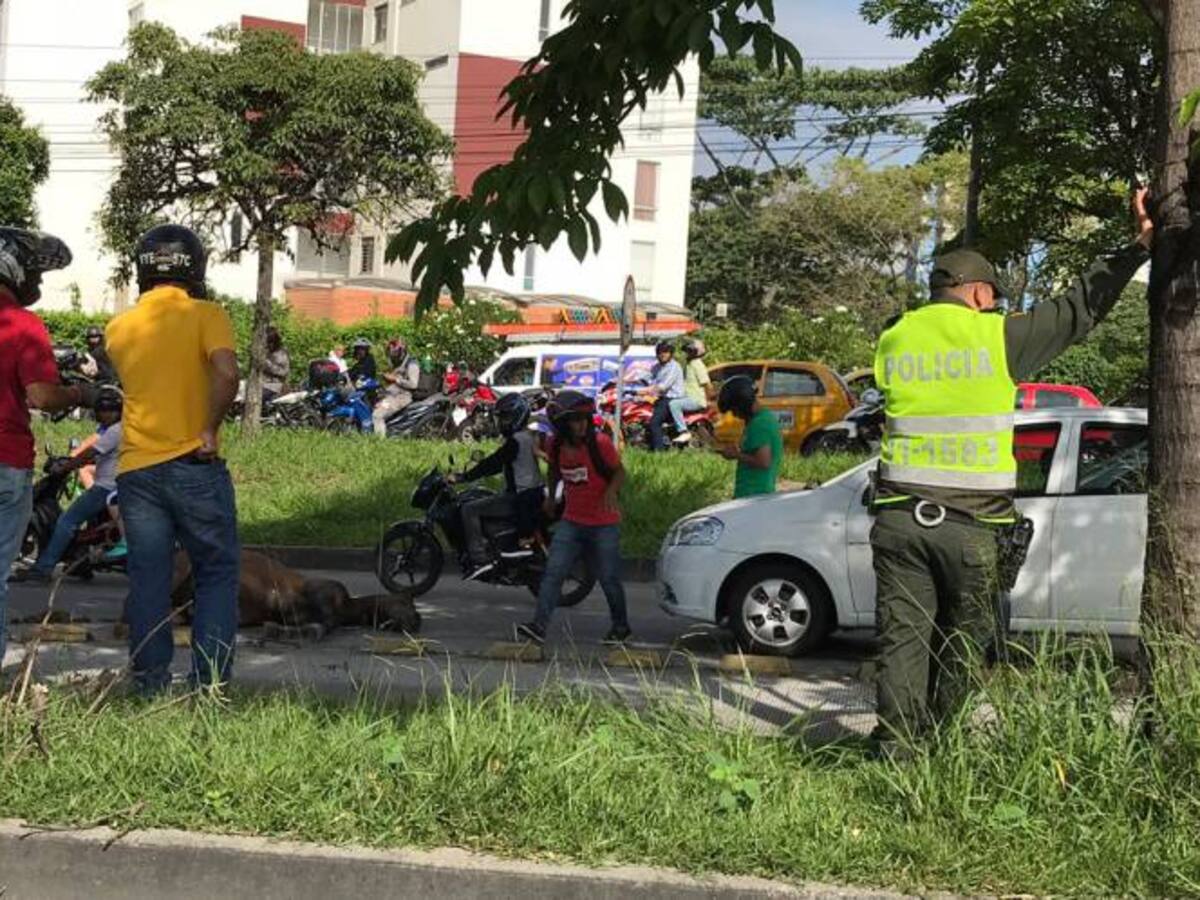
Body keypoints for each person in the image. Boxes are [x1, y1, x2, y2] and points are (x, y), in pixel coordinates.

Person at [869, 189, 1156, 748]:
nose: (995, 305)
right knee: (963, 643)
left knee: (903, 641)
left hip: (900, 519)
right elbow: (1079, 309)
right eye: (993, 297)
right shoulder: (997, 336)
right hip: (970, 526)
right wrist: (1139, 245)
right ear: (978, 293)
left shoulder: (894, 338)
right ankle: (943, 748)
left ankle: (897, 753)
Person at [105, 223, 241, 695]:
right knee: (216, 574)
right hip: (193, 464)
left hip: (136, 469)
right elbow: (226, 375)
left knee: (149, 580)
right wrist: (209, 427)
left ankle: (148, 685)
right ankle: (209, 687)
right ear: (195, 266)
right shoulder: (208, 314)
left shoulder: (118, 327)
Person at [0, 227, 92, 669]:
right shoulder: (21, 324)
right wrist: (77, 395)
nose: (36, 282)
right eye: (34, 271)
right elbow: (40, 395)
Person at [515, 390, 631, 646]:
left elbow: (619, 473)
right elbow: (555, 470)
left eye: (584, 419)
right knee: (553, 573)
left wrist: (611, 491)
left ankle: (621, 627)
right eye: (574, 420)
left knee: (609, 578)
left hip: (604, 525)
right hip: (572, 521)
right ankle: (539, 626)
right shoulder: (555, 445)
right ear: (561, 424)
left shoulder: (600, 443)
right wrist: (551, 498)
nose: (580, 425)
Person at [13, 386, 125, 583]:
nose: (97, 416)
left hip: (106, 488)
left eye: (99, 411)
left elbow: (91, 452)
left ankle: (43, 570)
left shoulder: (115, 431)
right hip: (115, 485)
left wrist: (66, 467)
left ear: (108, 411)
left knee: (67, 521)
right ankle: (80, 561)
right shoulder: (122, 429)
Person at [451, 393, 544, 579]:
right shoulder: (525, 438)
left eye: (506, 417)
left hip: (519, 496)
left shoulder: (516, 441)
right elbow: (501, 465)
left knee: (469, 509)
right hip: (531, 493)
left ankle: (479, 559)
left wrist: (464, 477)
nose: (502, 422)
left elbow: (493, 462)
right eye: (501, 418)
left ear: (518, 416)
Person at [716, 375, 783, 498]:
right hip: (752, 493)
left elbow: (764, 462)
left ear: (743, 405)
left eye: (734, 410)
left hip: (754, 494)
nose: (735, 415)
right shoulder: (762, 418)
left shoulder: (760, 424)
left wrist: (736, 455)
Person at [372, 338, 421, 437]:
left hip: (401, 397)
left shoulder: (412, 364)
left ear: (402, 351)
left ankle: (379, 442)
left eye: (394, 353)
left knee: (377, 415)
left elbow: (413, 384)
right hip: (391, 396)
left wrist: (395, 379)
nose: (392, 356)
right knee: (374, 407)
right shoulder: (400, 363)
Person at [643, 340, 685, 451]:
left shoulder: (674, 367)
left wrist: (646, 391)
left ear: (671, 353)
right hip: (661, 398)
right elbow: (645, 377)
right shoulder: (657, 366)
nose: (663, 354)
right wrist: (624, 380)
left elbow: (664, 386)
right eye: (660, 352)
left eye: (666, 352)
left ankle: (659, 451)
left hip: (671, 399)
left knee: (654, 423)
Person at [669, 338, 713, 444]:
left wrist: (710, 400)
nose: (686, 354)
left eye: (689, 351)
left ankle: (683, 431)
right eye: (686, 351)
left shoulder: (697, 364)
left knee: (674, 404)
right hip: (689, 397)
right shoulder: (690, 364)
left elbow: (706, 384)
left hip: (696, 399)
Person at [260, 327, 290, 403]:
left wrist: (267, 364)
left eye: (269, 342)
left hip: (274, 386)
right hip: (262, 384)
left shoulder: (281, 354)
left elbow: (284, 372)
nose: (268, 345)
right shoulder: (265, 351)